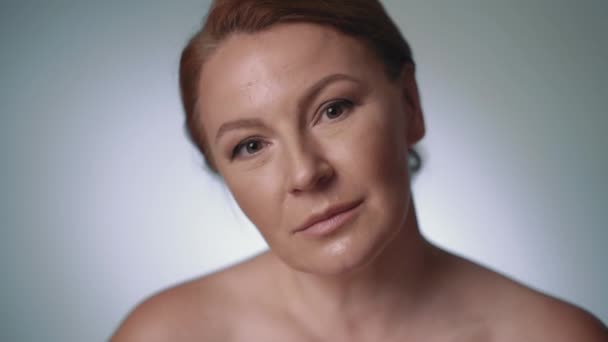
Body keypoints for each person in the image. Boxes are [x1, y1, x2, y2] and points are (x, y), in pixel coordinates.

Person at [112, 1, 608, 340]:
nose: (305, 173)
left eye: (334, 109)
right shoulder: (166, 334)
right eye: (250, 145)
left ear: (410, 105)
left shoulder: (554, 335)